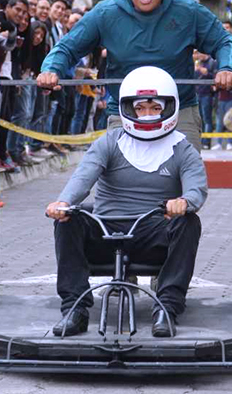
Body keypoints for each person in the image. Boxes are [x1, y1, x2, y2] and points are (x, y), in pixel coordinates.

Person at [45, 66, 207, 337]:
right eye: (140, 108)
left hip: (152, 233)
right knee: (69, 218)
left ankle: (166, 308)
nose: (147, 115)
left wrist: (184, 201)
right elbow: (83, 177)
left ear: (169, 108)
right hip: (106, 229)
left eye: (155, 108)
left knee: (189, 222)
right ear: (128, 110)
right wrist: (63, 202)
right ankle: (75, 309)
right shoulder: (110, 142)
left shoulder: (183, 148)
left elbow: (197, 189)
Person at [38, 0, 232, 152]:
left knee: (188, 179)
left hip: (180, 112)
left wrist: (226, 68)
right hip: (124, 113)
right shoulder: (105, 14)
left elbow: (225, 41)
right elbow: (67, 47)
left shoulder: (188, 11)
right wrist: (51, 69)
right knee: (118, 181)